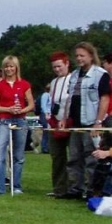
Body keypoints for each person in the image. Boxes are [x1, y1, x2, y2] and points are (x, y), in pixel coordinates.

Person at [59, 42, 111, 200]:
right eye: (77, 56)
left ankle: (91, 189)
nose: (79, 59)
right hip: (76, 123)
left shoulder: (100, 74)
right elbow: (69, 99)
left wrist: (98, 121)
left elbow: (104, 99)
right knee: (74, 157)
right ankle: (75, 188)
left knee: (91, 157)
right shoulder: (74, 75)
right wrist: (64, 118)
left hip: (91, 122)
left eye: (82, 55)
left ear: (90, 55)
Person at [0, 56, 34, 195]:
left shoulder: (24, 84)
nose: (9, 69)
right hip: (4, 121)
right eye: (6, 66)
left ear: (16, 67)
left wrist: (21, 110)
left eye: (11, 66)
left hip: (20, 121)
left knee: (18, 155)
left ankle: (16, 185)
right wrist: (8, 109)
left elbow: (31, 104)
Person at [47, 51, 72, 198]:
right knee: (57, 157)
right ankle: (59, 188)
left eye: (59, 66)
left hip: (69, 122)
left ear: (67, 64)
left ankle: (73, 187)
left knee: (73, 156)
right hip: (55, 122)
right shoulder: (54, 82)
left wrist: (65, 118)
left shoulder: (72, 79)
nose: (57, 69)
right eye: (54, 67)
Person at [38, 83, 51, 154]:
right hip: (45, 114)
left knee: (49, 132)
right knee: (46, 131)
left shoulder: (51, 95)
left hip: (50, 114)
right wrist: (46, 114)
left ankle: (48, 147)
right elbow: (43, 105)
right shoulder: (45, 95)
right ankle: (44, 147)